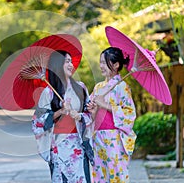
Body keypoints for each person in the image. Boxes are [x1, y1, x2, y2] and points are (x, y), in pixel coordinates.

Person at [31, 50, 94, 183]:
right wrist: (60, 111)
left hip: (78, 144)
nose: (71, 65)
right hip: (58, 146)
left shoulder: (80, 88)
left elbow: (90, 113)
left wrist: (79, 116)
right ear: (58, 65)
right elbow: (37, 121)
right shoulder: (48, 92)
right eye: (67, 61)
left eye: (71, 61)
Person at [87, 47, 137, 182]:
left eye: (104, 62)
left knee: (116, 174)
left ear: (116, 65)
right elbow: (90, 113)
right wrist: (92, 109)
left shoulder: (122, 86)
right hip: (97, 136)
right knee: (99, 174)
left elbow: (129, 113)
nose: (101, 66)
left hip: (114, 137)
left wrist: (105, 105)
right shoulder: (98, 87)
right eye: (100, 62)